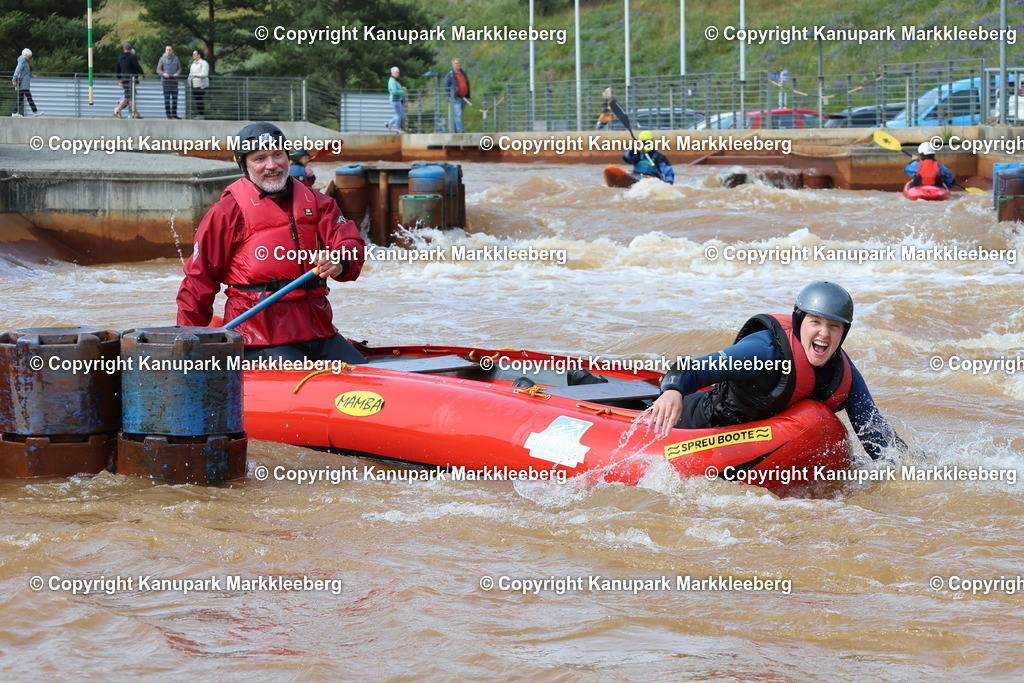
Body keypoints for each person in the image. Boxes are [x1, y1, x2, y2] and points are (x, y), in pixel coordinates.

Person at [176, 122, 367, 364]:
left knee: (362, 373)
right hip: (258, 335)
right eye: (260, 158)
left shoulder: (319, 203)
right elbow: (198, 281)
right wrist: (186, 346)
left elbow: (350, 242)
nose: (272, 165)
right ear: (244, 165)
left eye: (278, 154)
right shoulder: (225, 212)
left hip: (318, 329)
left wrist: (340, 262)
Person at [648, 282, 905, 460]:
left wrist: (911, 471)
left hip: (763, 441)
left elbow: (876, 436)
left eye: (834, 326)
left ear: (844, 332)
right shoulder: (765, 352)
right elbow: (693, 368)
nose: (824, 333)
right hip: (700, 423)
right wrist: (672, 390)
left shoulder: (844, 375)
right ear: (799, 322)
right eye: (815, 322)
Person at [114, 42, 144, 119]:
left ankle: (135, 112)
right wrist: (141, 75)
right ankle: (118, 110)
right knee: (129, 96)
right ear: (130, 49)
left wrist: (119, 78)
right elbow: (137, 67)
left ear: (124, 49)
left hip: (123, 79)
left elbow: (117, 68)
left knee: (130, 96)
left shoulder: (120, 57)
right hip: (131, 79)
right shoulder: (132, 57)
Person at [443, 58, 470, 133]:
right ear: (453, 65)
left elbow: (466, 83)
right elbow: (446, 85)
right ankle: (460, 130)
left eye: (459, 63)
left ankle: (453, 130)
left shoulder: (463, 73)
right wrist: (451, 95)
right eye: (456, 63)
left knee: (458, 115)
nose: (458, 64)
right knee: (458, 114)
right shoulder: (450, 74)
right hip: (456, 97)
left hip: (464, 97)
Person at [11, 48, 40, 117]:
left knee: (20, 98)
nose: (30, 57)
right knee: (29, 97)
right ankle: (35, 112)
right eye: (29, 56)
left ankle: (14, 112)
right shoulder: (23, 61)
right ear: (26, 55)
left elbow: (25, 72)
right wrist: (14, 78)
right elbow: (17, 70)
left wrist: (32, 75)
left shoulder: (24, 61)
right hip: (23, 83)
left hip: (23, 83)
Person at [157, 45, 181, 119]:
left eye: (170, 50)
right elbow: (158, 69)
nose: (168, 51)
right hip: (166, 81)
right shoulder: (162, 59)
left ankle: (174, 114)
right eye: (167, 50)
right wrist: (163, 74)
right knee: (167, 99)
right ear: (165, 51)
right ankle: (168, 114)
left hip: (174, 81)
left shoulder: (176, 58)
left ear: (172, 51)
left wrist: (177, 73)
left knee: (175, 99)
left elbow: (179, 68)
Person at [188, 49, 210, 119]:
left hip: (201, 85)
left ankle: (201, 114)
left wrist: (196, 75)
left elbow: (205, 73)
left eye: (194, 54)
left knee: (199, 99)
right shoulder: (193, 64)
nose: (193, 55)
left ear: (199, 55)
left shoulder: (203, 63)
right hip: (194, 85)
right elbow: (190, 74)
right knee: (197, 99)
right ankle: (199, 114)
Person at [385, 66, 405, 134]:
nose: (397, 74)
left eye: (398, 72)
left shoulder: (395, 81)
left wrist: (401, 89)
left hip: (397, 100)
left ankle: (389, 123)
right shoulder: (392, 81)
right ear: (392, 73)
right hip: (395, 100)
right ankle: (398, 129)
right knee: (399, 115)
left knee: (400, 115)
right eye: (396, 72)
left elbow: (397, 89)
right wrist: (402, 91)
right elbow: (394, 91)